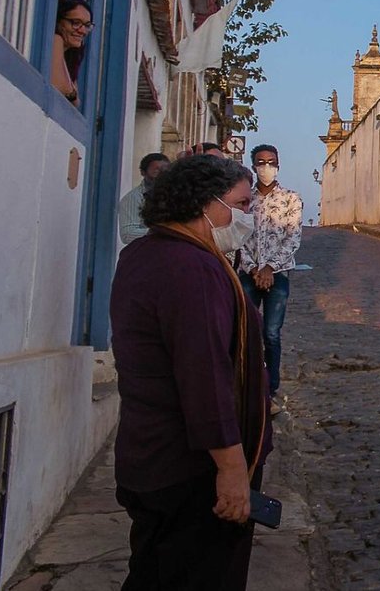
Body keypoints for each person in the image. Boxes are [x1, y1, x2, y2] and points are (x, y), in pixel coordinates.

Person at [110, 154, 271, 590]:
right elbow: (204, 379)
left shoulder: (145, 254)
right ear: (204, 204)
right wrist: (232, 470)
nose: (245, 215)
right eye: (239, 204)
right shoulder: (192, 268)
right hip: (191, 474)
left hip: (152, 457)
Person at [237, 144, 302, 413]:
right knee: (245, 332)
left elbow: (293, 238)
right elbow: (238, 239)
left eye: (271, 162)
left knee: (271, 334)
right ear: (253, 166)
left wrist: (269, 268)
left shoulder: (291, 199)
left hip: (278, 276)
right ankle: (243, 384)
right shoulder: (243, 201)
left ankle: (270, 388)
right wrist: (253, 268)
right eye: (261, 162)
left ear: (278, 165)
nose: (266, 167)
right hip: (248, 274)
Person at [118, 153, 171, 243]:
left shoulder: (175, 194)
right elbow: (127, 234)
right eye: (156, 171)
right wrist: (162, 231)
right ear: (143, 172)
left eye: (165, 171)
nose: (161, 176)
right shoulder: (133, 198)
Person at [50, 0, 92, 105]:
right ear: (59, 21)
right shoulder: (56, 39)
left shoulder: (71, 55)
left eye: (87, 25)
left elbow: (75, 102)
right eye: (76, 23)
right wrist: (71, 92)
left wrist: (71, 93)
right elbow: (60, 87)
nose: (82, 31)